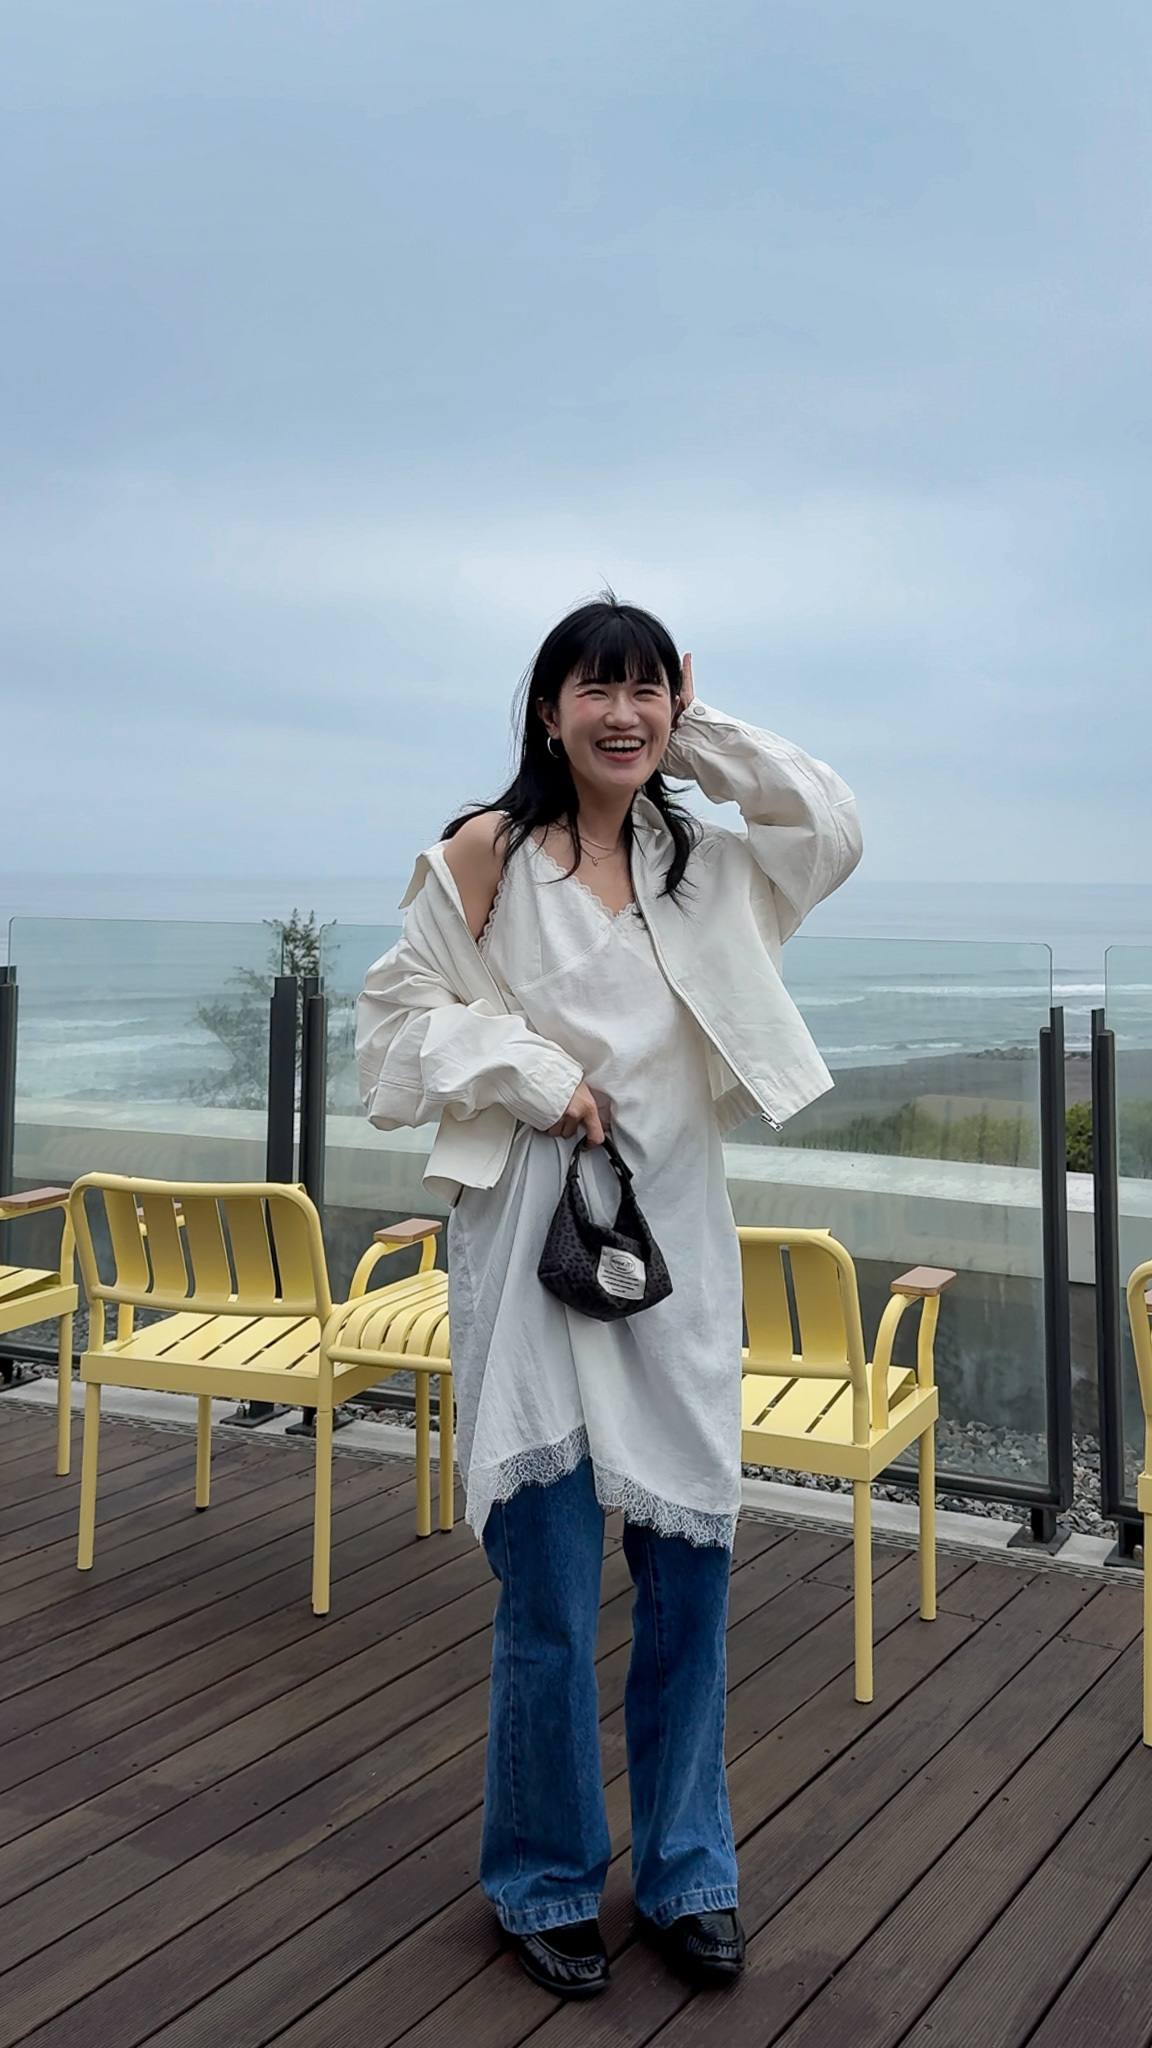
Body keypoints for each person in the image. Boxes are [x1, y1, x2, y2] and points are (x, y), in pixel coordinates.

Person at [356, 596, 861, 1999]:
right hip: (531, 1258)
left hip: (675, 1258)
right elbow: (389, 1040)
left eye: (647, 691)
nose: (622, 714)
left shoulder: (706, 866)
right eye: (597, 689)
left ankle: (690, 1872)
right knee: (551, 1601)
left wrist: (705, 736)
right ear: (547, 709)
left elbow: (830, 828)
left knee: (690, 1585)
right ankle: (544, 1877)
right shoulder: (485, 856)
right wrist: (528, 1072)